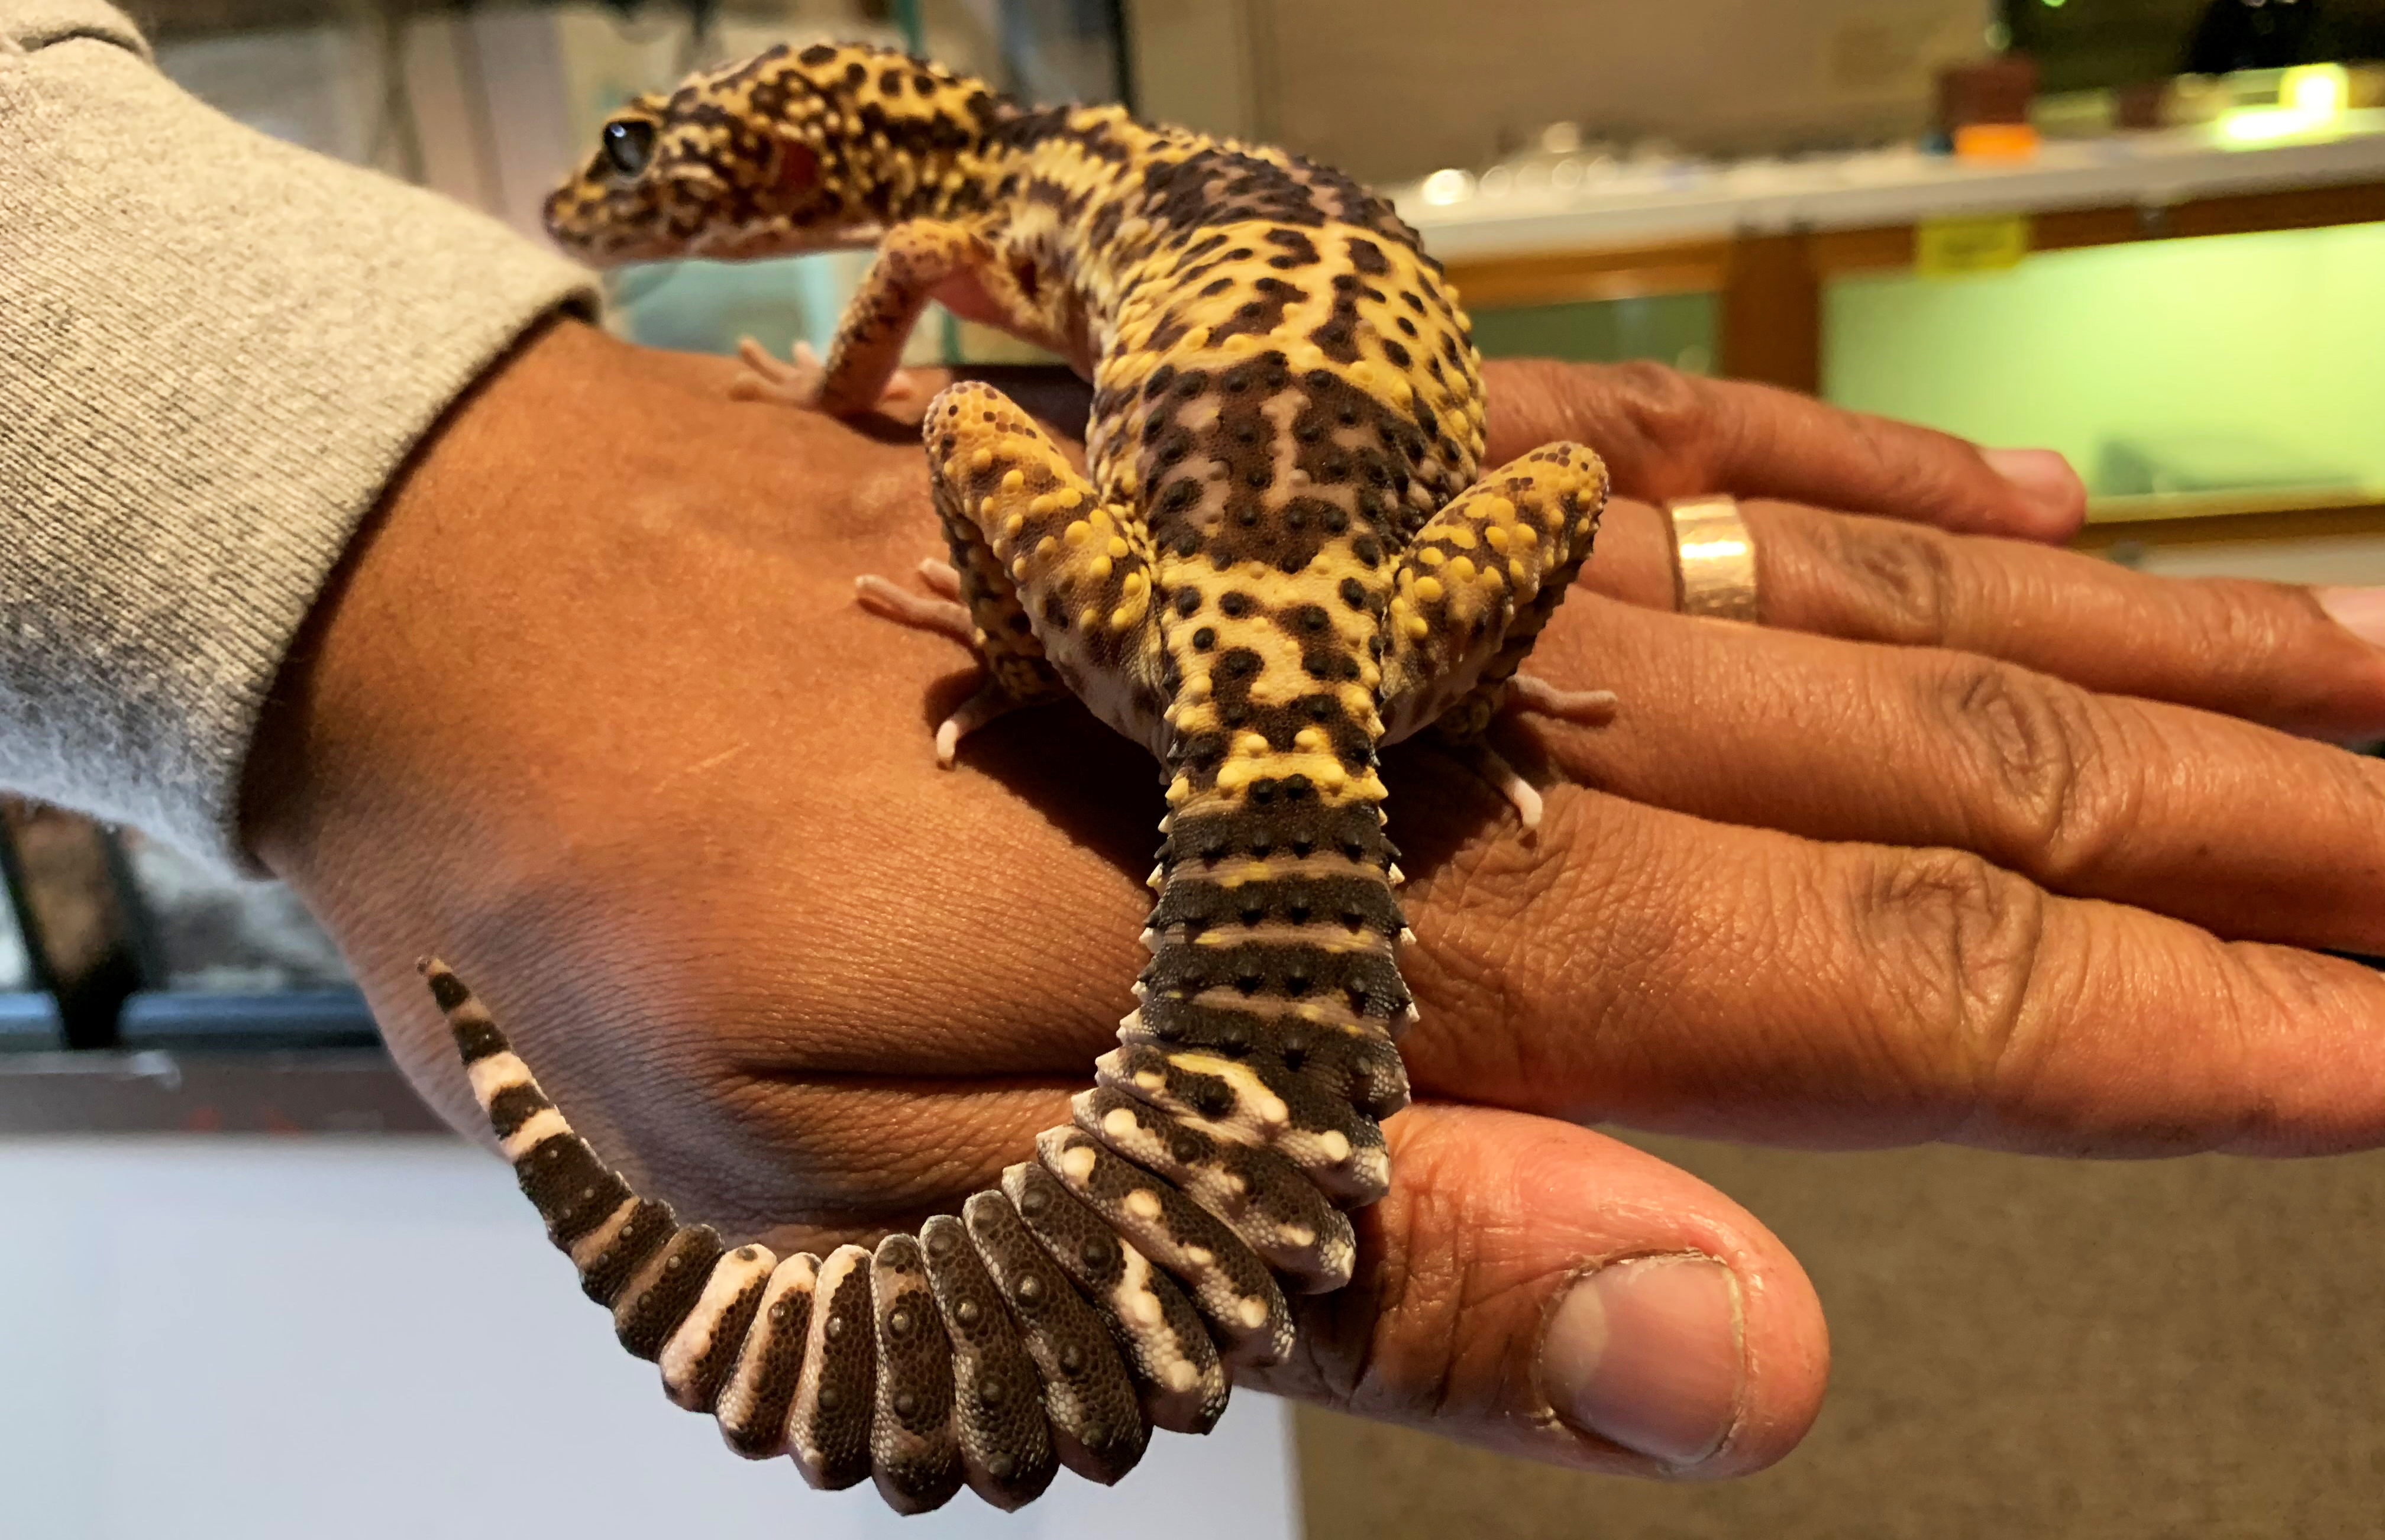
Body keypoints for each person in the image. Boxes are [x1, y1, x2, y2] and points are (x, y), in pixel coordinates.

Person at [9, 0, 2385, 1480]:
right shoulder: (1099, 188)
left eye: (647, 183)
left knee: (970, 454)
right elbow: (1549, 496)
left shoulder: (990, 237)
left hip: (1167, 651)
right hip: (1381, 640)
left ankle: (1057, 651)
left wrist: (1027, 633)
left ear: (802, 174)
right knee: (1558, 479)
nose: (607, 212)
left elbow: (927, 397)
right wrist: (1441, 675)